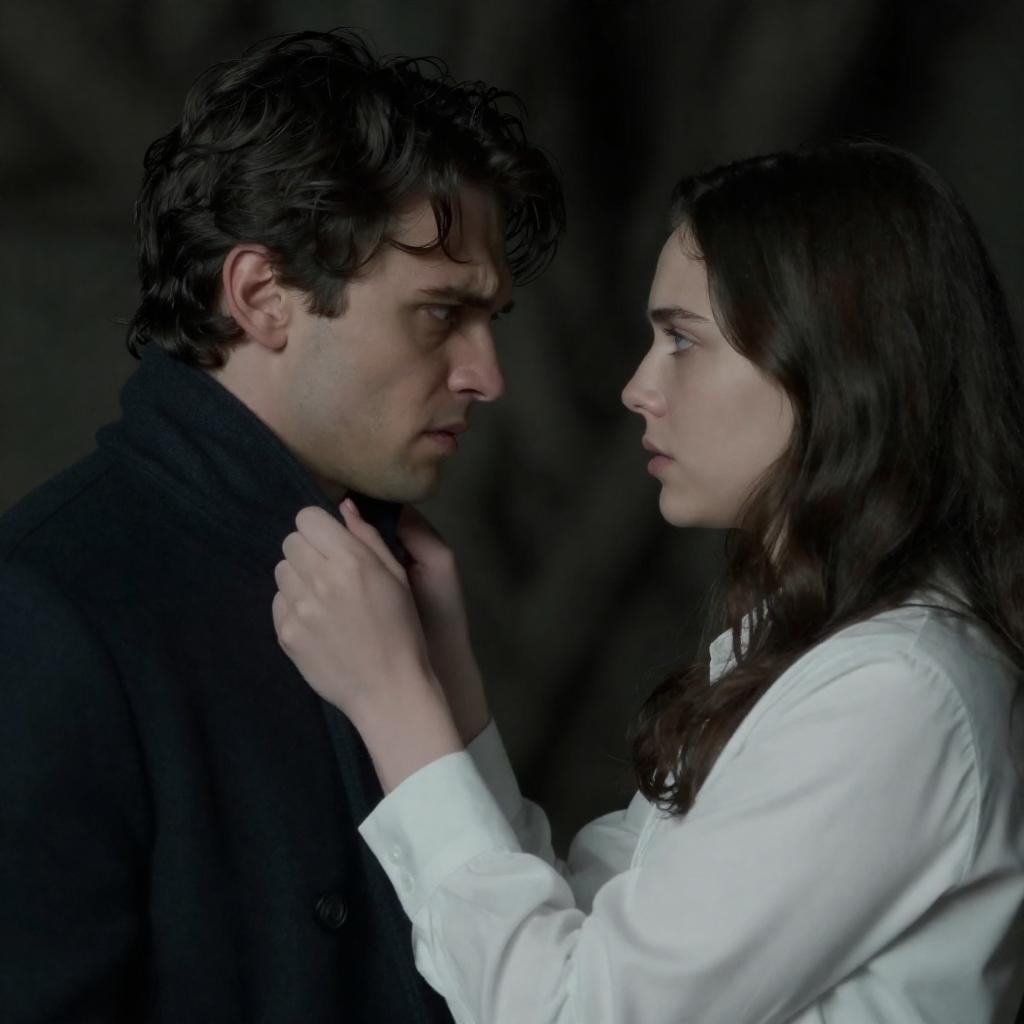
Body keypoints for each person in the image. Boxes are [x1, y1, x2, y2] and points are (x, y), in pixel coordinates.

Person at [273, 141, 1024, 1024]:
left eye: (682, 340)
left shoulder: (898, 693)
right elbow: (581, 930)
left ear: (837, 364)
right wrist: (450, 681)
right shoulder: (815, 649)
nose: (638, 388)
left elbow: (574, 1009)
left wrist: (394, 701)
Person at [0, 28, 563, 1023]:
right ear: (263, 296)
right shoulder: (42, 612)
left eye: (491, 321)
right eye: (441, 313)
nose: (486, 376)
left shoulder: (396, 579)